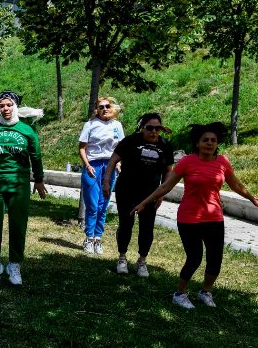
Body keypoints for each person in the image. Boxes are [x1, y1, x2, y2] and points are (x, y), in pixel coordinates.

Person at [132, 122, 258, 309]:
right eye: (205, 140)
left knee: (215, 259)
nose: (209, 143)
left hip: (214, 217)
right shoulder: (187, 161)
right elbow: (166, 186)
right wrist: (144, 202)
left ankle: (205, 291)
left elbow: (235, 185)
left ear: (217, 143)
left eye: (213, 140)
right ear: (197, 143)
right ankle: (180, 293)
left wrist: (253, 198)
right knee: (195, 258)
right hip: (189, 217)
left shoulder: (223, 162)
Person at [0, 91, 47, 286]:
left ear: (15, 107)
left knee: (18, 224)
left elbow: (36, 156)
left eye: (9, 105)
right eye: (2, 106)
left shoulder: (27, 130)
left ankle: (14, 264)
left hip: (19, 182)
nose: (5, 109)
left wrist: (39, 180)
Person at [103, 113, 173, 277]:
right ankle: (122, 257)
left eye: (157, 128)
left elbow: (168, 171)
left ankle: (142, 260)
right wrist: (106, 181)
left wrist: (162, 192)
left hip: (150, 194)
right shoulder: (130, 141)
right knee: (126, 223)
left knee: (147, 227)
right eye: (150, 128)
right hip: (126, 190)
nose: (153, 131)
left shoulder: (165, 145)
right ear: (143, 128)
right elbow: (113, 160)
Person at [78, 96, 124, 254]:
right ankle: (88, 238)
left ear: (111, 108)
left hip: (109, 166)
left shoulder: (117, 125)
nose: (104, 109)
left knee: (103, 205)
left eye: (107, 106)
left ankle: (98, 239)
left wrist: (118, 164)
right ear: (96, 109)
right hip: (93, 166)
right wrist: (87, 165)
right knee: (92, 205)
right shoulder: (90, 125)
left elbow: (120, 148)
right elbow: (82, 148)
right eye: (101, 107)